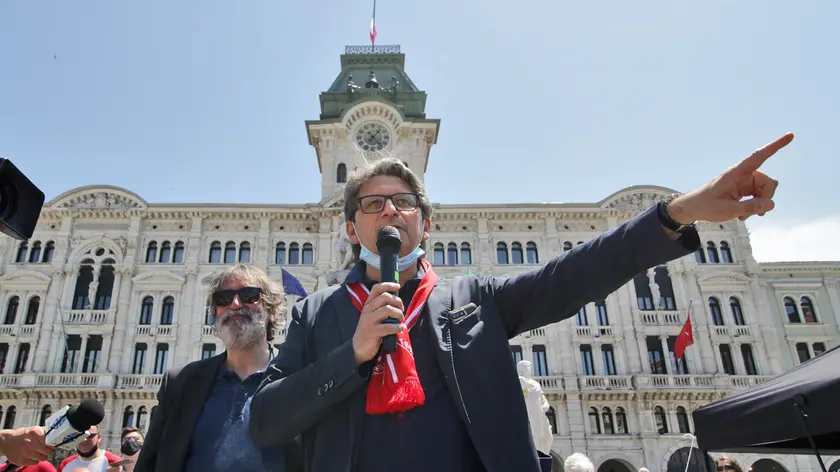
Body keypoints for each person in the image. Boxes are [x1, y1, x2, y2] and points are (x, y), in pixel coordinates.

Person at [249, 133, 793, 471]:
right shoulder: (316, 313)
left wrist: (680, 212)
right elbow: (266, 419)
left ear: (427, 222)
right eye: (373, 203)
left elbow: (573, 275)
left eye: (404, 202)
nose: (390, 211)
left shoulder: (474, 300)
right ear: (350, 227)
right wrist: (353, 354)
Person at [133, 264, 302, 472]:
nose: (235, 304)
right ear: (215, 313)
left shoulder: (297, 380)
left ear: (272, 312)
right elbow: (149, 463)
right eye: (223, 299)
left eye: (249, 295)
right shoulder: (182, 383)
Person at [57, 426, 121, 472]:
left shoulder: (113, 462)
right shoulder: (66, 463)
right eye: (79, 436)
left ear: (99, 438)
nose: (83, 440)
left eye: (89, 436)